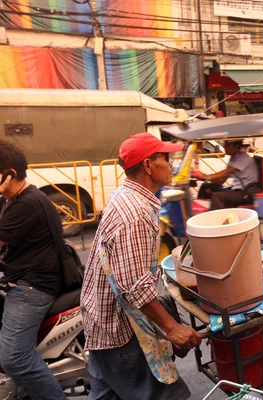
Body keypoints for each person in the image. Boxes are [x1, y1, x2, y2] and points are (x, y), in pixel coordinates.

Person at [81, 133, 201, 400]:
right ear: (148, 165)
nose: (171, 165)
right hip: (122, 330)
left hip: (103, 324)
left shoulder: (126, 196)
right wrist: (172, 328)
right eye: (166, 159)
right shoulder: (134, 213)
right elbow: (135, 286)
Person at [0, 140, 66, 400]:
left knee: (14, 358)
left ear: (9, 175)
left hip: (33, 286)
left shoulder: (27, 203)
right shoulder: (11, 200)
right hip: (20, 278)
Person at [194, 140, 260, 210]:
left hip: (245, 193)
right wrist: (204, 178)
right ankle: (199, 211)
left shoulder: (243, 158)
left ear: (236, 146)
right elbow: (221, 181)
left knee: (217, 196)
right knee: (205, 186)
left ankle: (213, 219)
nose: (225, 147)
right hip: (234, 189)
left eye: (227, 145)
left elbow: (227, 172)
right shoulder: (233, 158)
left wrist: (207, 176)